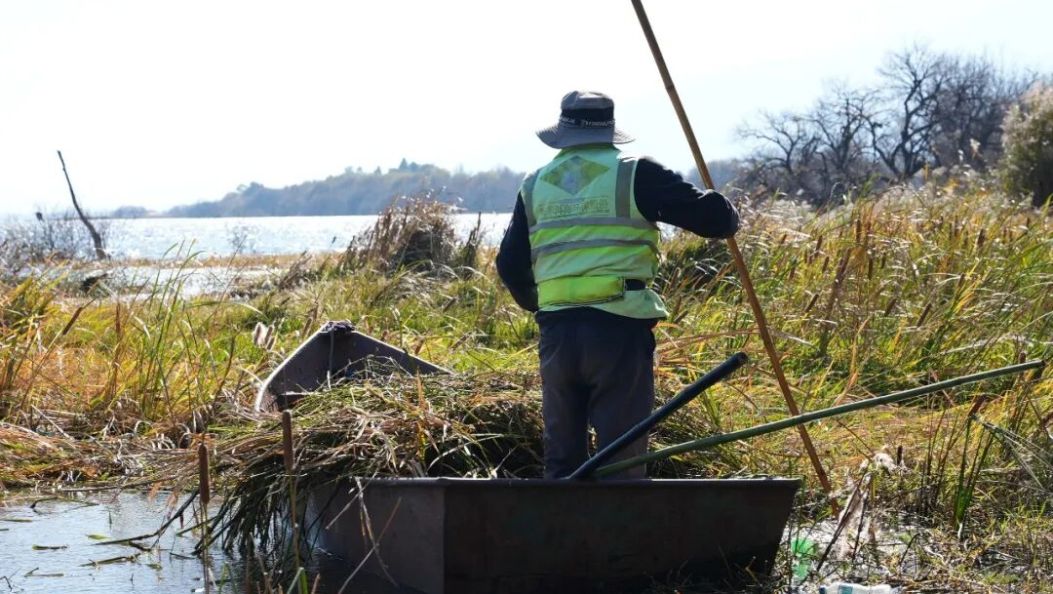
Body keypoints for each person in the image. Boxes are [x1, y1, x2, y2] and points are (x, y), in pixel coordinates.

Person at [496, 90, 739, 479]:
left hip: (557, 335)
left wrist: (541, 303)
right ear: (609, 130)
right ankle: (615, 536)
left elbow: (509, 265)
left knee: (562, 464)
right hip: (617, 329)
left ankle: (558, 536)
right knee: (620, 459)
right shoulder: (634, 173)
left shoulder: (536, 183)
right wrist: (723, 205)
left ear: (563, 131)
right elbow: (716, 222)